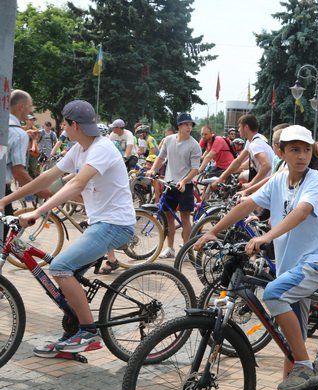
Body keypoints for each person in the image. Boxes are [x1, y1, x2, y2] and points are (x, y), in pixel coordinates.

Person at [193, 125, 318, 390]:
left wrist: (267, 237)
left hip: (313, 263)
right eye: (294, 149)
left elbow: (303, 212)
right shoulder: (280, 179)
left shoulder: (314, 179)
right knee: (290, 337)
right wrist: (213, 231)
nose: (302, 155)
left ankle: (305, 366)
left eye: (306, 149)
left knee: (273, 294)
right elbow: (248, 204)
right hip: (289, 267)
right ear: (280, 152)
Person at [0, 99, 135, 355]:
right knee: (65, 272)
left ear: (74, 124)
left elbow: (76, 185)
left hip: (114, 225)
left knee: (60, 268)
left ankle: (88, 332)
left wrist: (38, 212)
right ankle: (72, 330)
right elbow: (47, 178)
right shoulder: (80, 149)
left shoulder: (101, 148)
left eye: (64, 122)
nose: (62, 127)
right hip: (100, 223)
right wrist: (6, 200)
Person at [147, 112, 202, 258]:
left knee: (185, 218)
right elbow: (161, 157)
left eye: (190, 124)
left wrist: (184, 181)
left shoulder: (194, 145)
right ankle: (170, 248)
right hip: (170, 184)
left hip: (185, 186)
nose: (189, 127)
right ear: (179, 126)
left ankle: (186, 250)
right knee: (168, 217)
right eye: (186, 124)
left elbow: (195, 168)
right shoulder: (169, 140)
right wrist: (153, 169)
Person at [6, 90, 51, 219]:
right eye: (30, 106)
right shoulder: (18, 133)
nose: (30, 111)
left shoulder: (8, 127)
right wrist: (39, 190)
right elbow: (18, 172)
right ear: (21, 107)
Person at [215, 114, 274, 190]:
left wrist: (251, 184)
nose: (238, 130)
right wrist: (223, 176)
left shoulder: (255, 144)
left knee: (240, 199)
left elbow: (267, 165)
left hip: (267, 186)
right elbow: (238, 161)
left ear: (246, 127)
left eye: (240, 127)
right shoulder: (252, 140)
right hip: (266, 182)